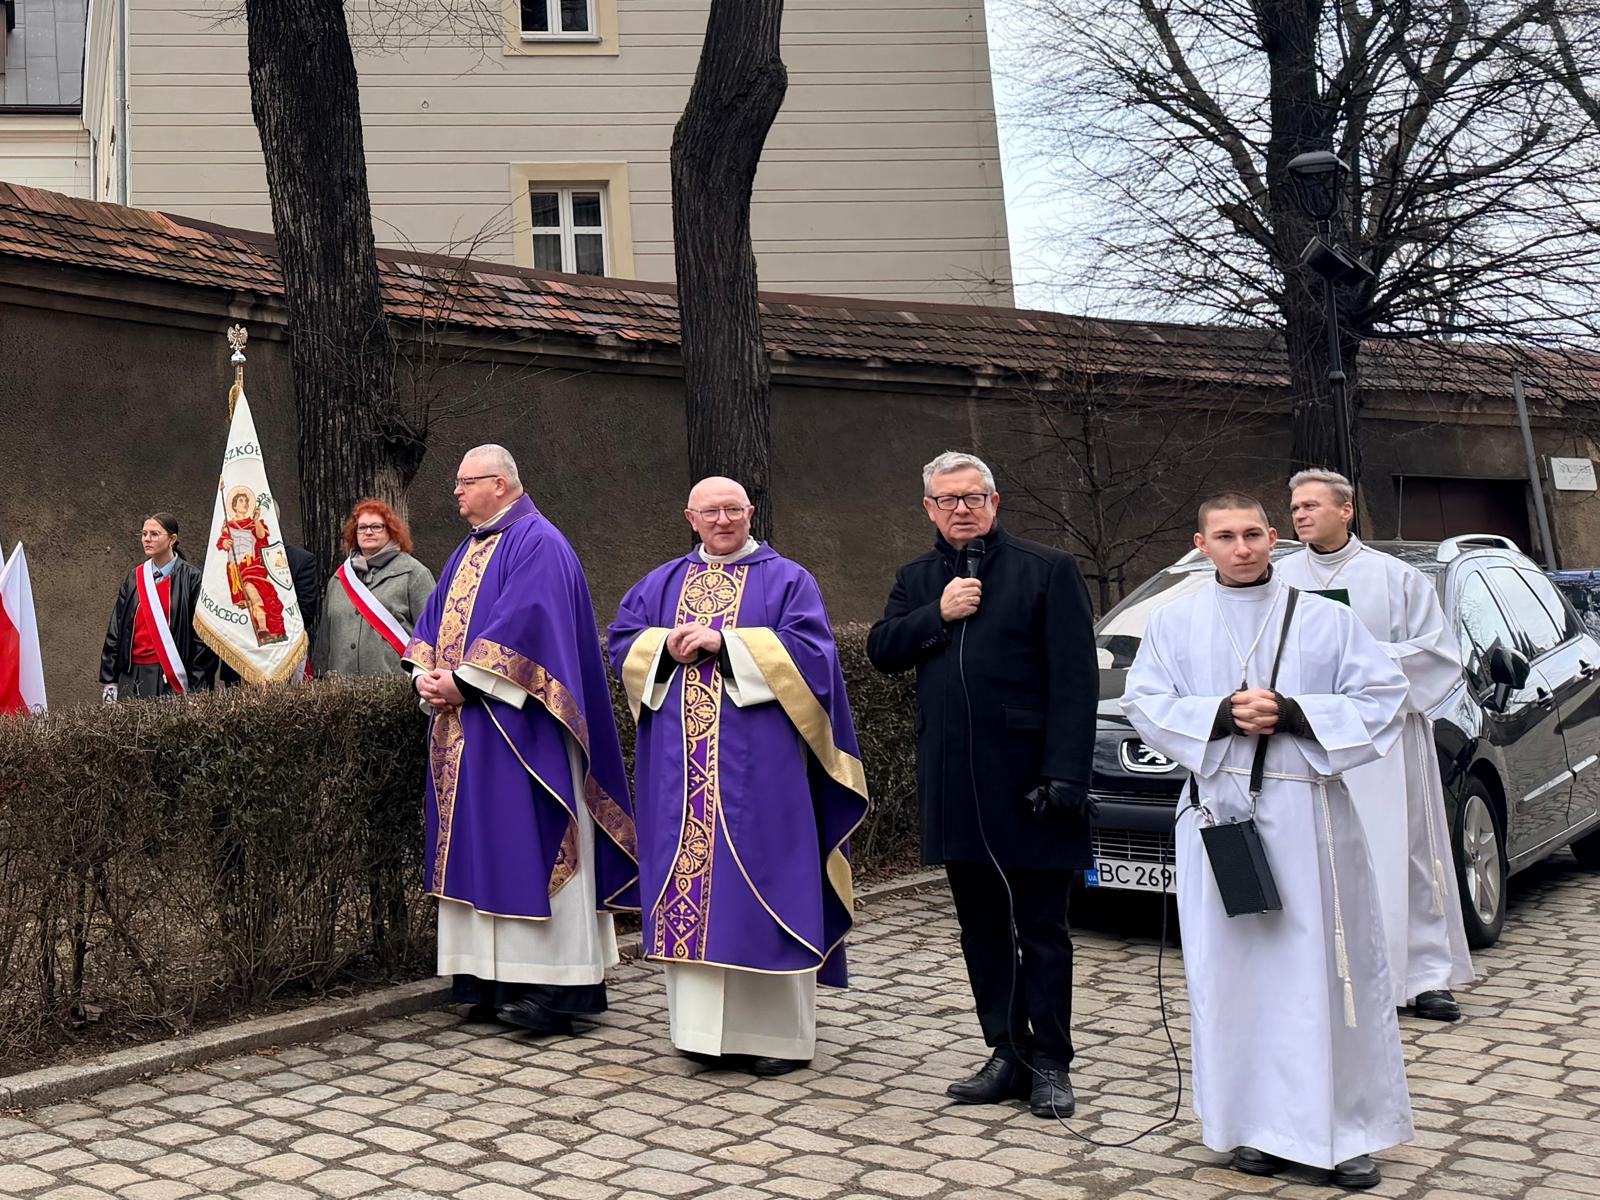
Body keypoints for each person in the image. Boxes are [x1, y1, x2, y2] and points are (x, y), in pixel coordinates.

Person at [1121, 491, 1413, 1189]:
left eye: (1253, 533)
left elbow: (1385, 696)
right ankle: (1252, 1127)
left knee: (1323, 975)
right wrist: (1221, 715)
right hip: (1222, 820)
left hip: (1309, 818)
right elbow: (1144, 702)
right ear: (1201, 545)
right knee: (1232, 979)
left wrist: (1296, 713)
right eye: (1225, 536)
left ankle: (1343, 1131)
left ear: (1273, 537)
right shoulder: (1175, 622)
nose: (1242, 547)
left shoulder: (1324, 618)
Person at [608, 477, 869, 1078]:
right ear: (690, 518)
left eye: (733, 510)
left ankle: (776, 1039)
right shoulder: (660, 583)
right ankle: (701, 1035)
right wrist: (665, 646)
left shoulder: (789, 581)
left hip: (763, 780)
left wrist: (726, 643)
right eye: (711, 512)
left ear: (751, 513)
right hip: (679, 779)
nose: (723, 520)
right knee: (690, 889)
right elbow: (623, 642)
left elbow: (814, 657)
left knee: (766, 887)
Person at [866, 451, 1097, 1119]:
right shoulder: (918, 578)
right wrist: (937, 614)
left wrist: (1065, 775)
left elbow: (1075, 681)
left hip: (1032, 783)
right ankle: (1006, 1050)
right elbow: (882, 651)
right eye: (948, 499)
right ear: (929, 509)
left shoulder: (1046, 568)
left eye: (973, 497)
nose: (961, 509)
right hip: (956, 782)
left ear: (994, 502)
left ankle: (1050, 1060)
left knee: (1042, 928)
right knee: (982, 928)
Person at [403, 444, 638, 1035]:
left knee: (529, 842)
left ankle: (556, 988)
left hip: (523, 732)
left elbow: (529, 628)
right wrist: (427, 675)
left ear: (501, 484)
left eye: (466, 481)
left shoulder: (539, 543)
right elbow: (433, 623)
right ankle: (489, 979)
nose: (456, 491)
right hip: (467, 732)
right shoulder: (469, 548)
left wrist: (462, 683)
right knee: (480, 847)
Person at [1277, 469, 1473, 1020]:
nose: (1299, 515)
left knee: (1405, 852)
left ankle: (1425, 976)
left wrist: (1362, 661)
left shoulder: (1395, 577)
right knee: (1313, 856)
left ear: (1346, 511)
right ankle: (1326, 977)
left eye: (1311, 505)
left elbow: (1438, 656)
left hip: (1384, 737)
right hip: (1306, 733)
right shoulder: (1280, 576)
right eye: (1295, 508)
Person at [100, 512, 218, 700]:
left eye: (154, 534)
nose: (147, 539)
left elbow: (202, 639)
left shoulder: (191, 578)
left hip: (169, 676)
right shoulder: (134, 577)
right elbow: (116, 629)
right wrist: (110, 679)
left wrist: (198, 688)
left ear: (172, 539)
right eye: (144, 534)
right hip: (130, 675)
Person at [314, 499, 436, 677]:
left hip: (395, 686)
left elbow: (431, 634)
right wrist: (318, 677)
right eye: (362, 527)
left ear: (391, 531)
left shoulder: (413, 574)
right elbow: (325, 640)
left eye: (376, 527)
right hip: (341, 687)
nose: (368, 532)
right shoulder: (339, 579)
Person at [217, 486, 288, 645]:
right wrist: (225, 542)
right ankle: (261, 630)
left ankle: (265, 631)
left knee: (264, 598)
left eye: (246, 501)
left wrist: (256, 519)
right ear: (234, 505)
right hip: (237, 569)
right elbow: (221, 543)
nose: (244, 503)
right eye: (241, 501)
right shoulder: (228, 525)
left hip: (253, 567)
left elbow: (261, 536)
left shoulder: (254, 523)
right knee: (253, 599)